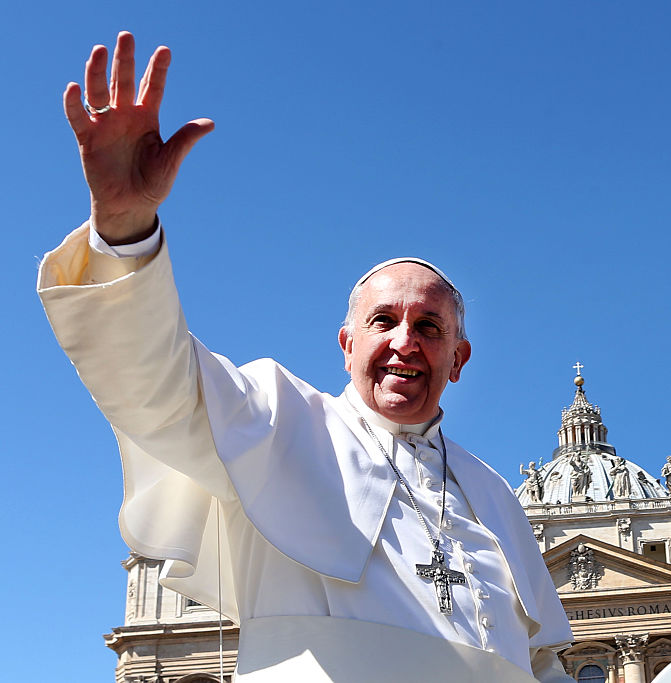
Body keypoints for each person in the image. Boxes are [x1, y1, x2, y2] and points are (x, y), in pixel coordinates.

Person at [38, 33, 572, 682]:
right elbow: (153, 381)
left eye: (429, 326)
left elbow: (544, 663)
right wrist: (124, 230)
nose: (405, 341)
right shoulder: (276, 421)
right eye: (384, 321)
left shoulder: (497, 499)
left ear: (457, 357)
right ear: (347, 346)